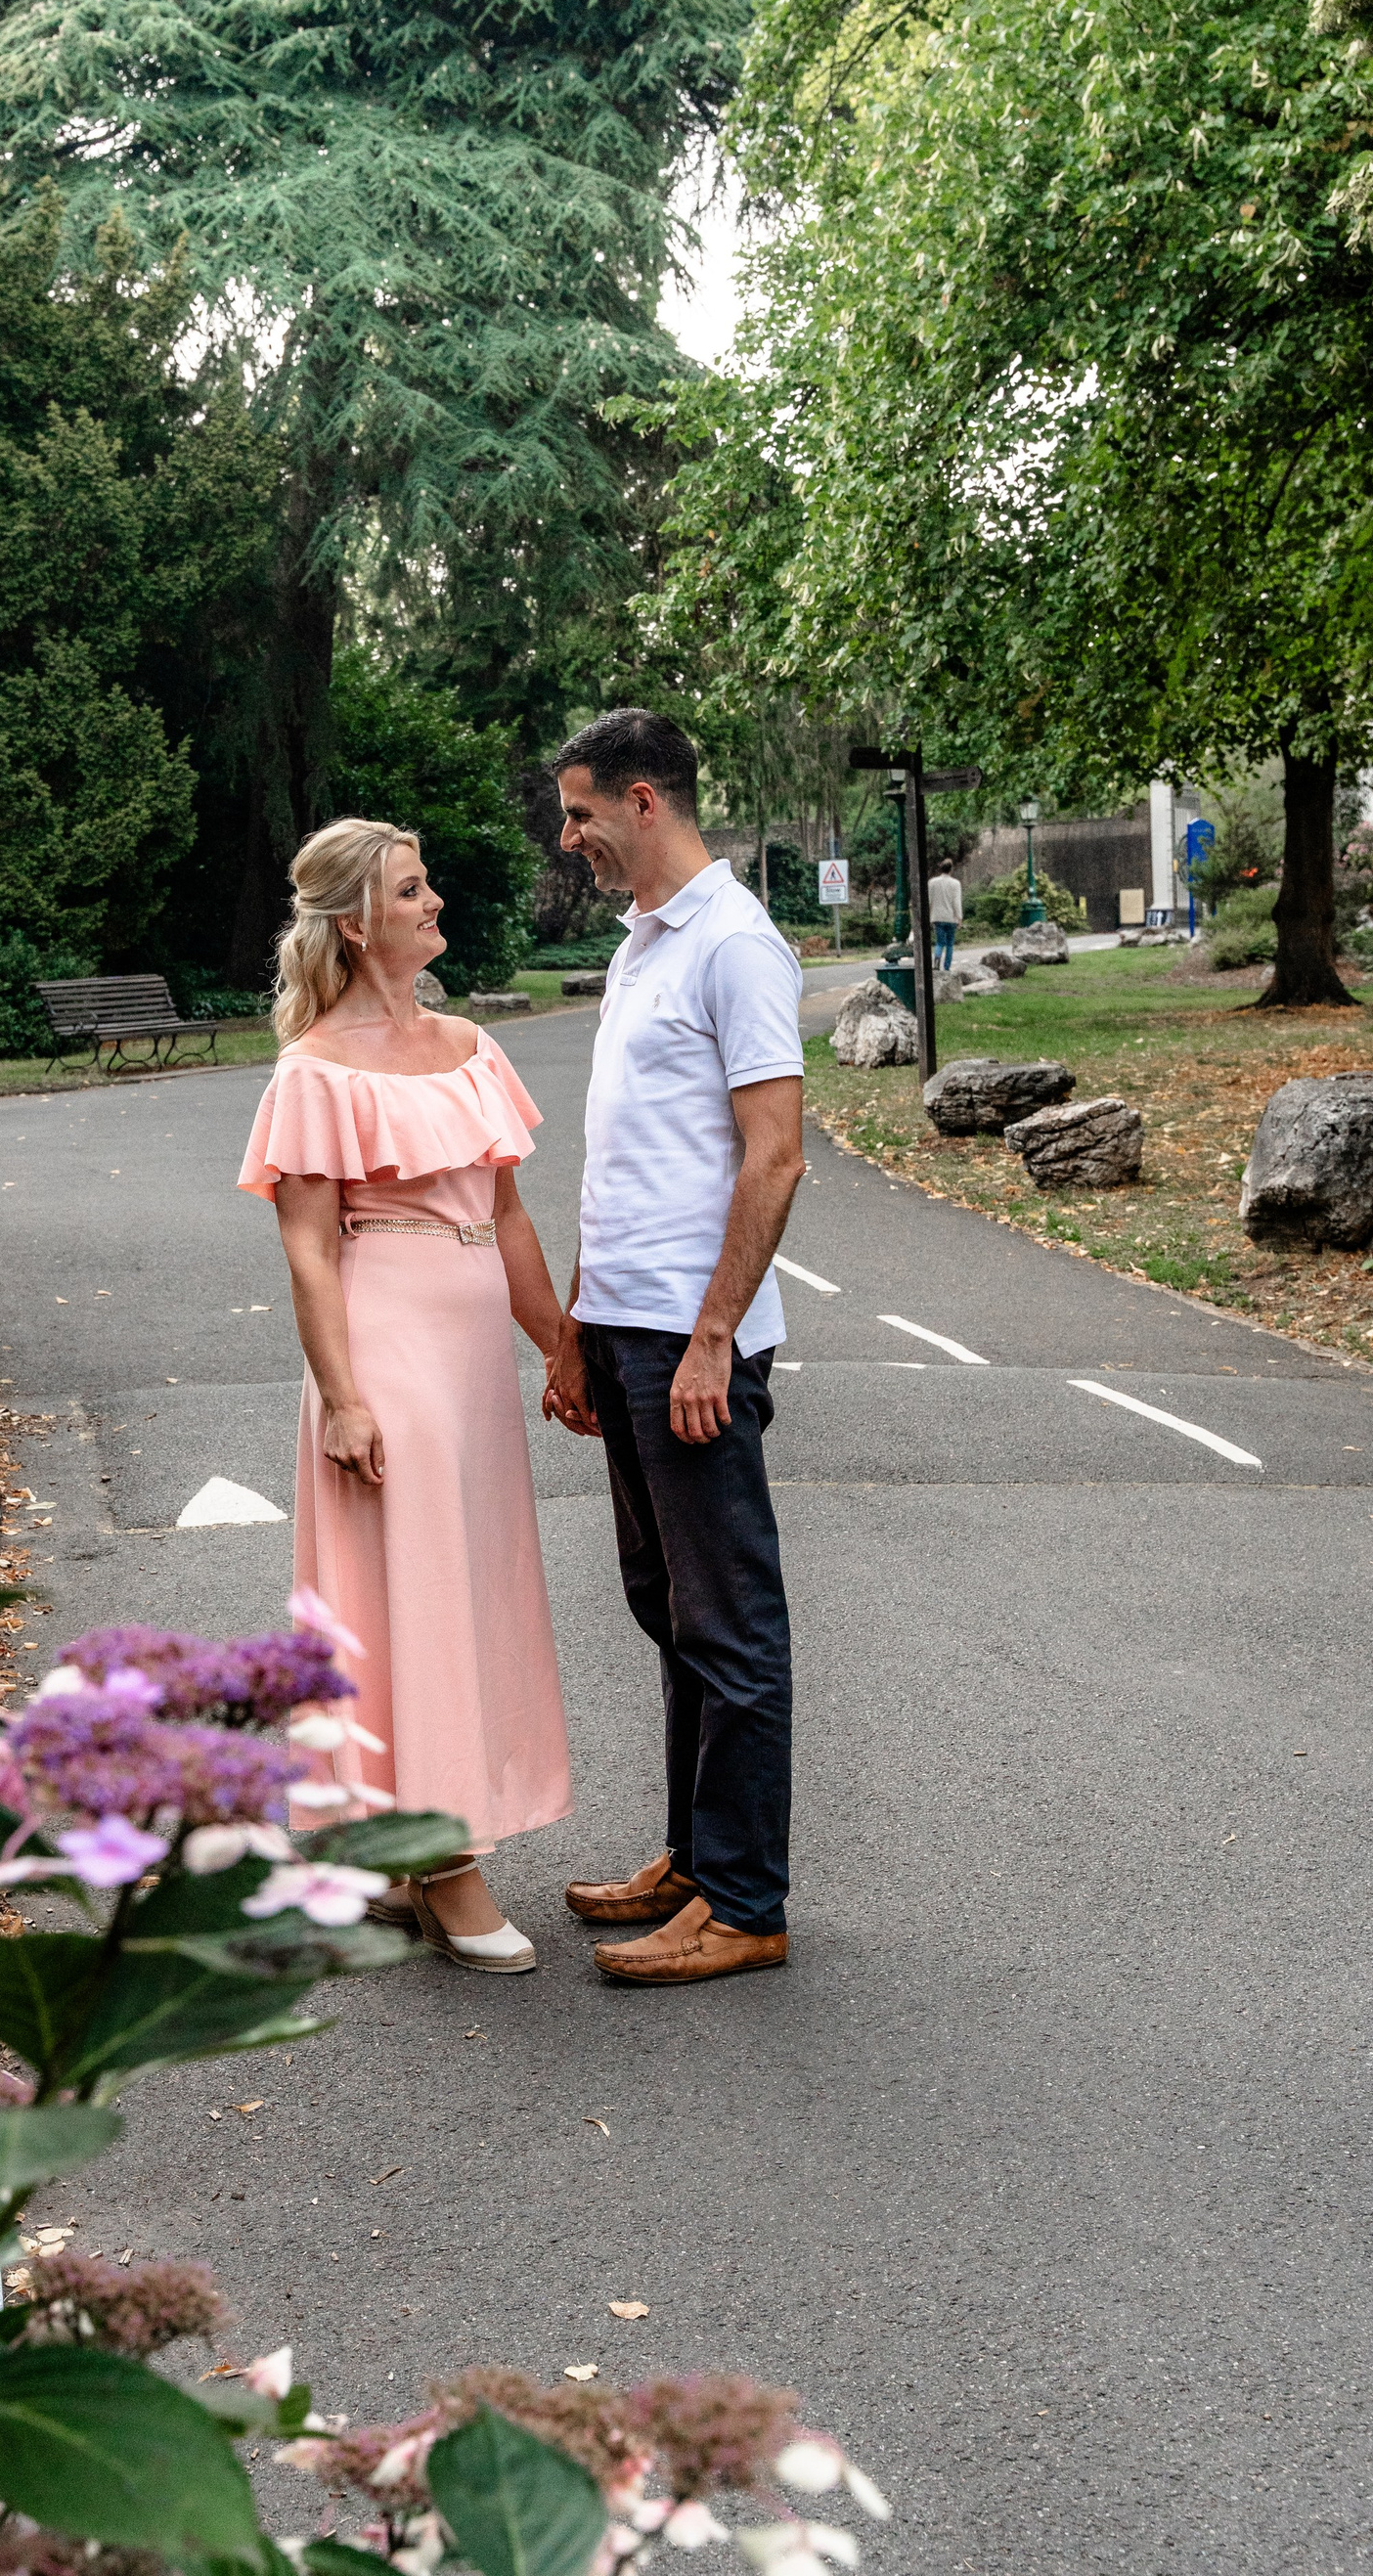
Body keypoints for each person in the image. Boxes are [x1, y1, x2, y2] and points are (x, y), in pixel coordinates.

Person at [239, 818, 573, 1976]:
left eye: (428, 886)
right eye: (412, 890)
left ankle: (394, 1850)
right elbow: (309, 1248)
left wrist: (560, 1347)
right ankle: (446, 1863)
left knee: (467, 1588)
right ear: (355, 923)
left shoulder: (472, 1048)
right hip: (386, 1347)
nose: (435, 903)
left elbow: (509, 1216)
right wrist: (342, 1398)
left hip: (474, 1356)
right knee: (420, 1595)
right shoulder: (313, 1070)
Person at [542, 710, 807, 1986]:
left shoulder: (735, 945)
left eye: (581, 812)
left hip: (690, 1341)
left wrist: (713, 1340)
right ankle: (697, 1862)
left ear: (644, 800)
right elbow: (628, 1157)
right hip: (625, 1327)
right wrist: (577, 1327)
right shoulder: (642, 942)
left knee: (730, 1620)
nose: (568, 836)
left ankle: (745, 1903)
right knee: (670, 1608)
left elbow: (776, 1155)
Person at [928, 862, 963, 971]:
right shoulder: (955, 883)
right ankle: (947, 967)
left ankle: (936, 962)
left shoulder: (932, 882)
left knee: (939, 942)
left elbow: (929, 900)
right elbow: (956, 902)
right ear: (951, 869)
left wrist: (929, 915)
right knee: (949, 944)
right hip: (951, 917)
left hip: (937, 916)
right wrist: (959, 917)